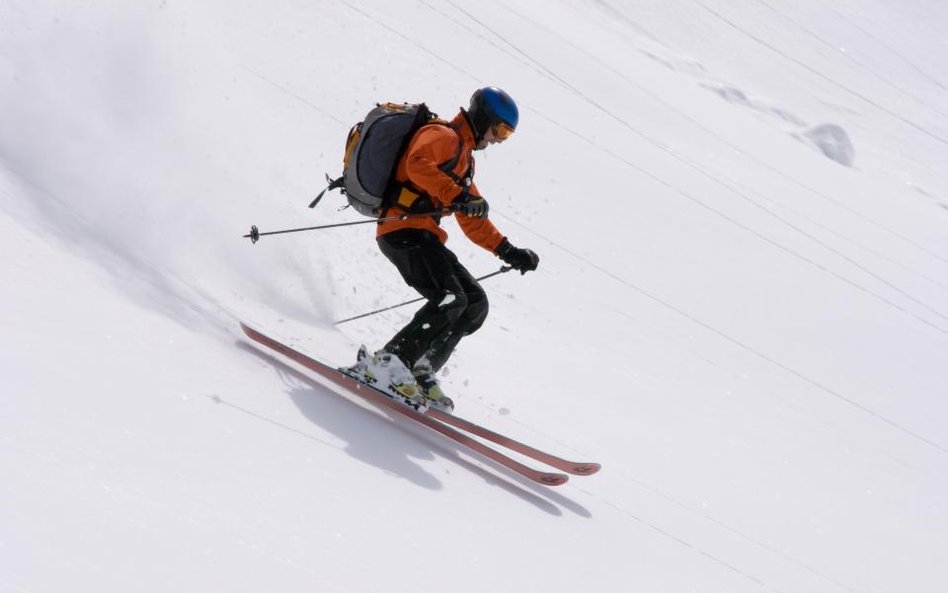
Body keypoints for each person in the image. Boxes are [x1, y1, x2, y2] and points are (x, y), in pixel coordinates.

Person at [352, 87, 539, 412]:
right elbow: (417, 164)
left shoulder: (464, 160)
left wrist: (506, 250)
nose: (498, 140)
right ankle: (389, 361)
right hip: (402, 230)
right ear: (484, 119)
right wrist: (457, 195)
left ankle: (420, 367)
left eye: (506, 135)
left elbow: (471, 217)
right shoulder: (443, 136)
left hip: (424, 237)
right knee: (450, 297)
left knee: (474, 303)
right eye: (501, 130)